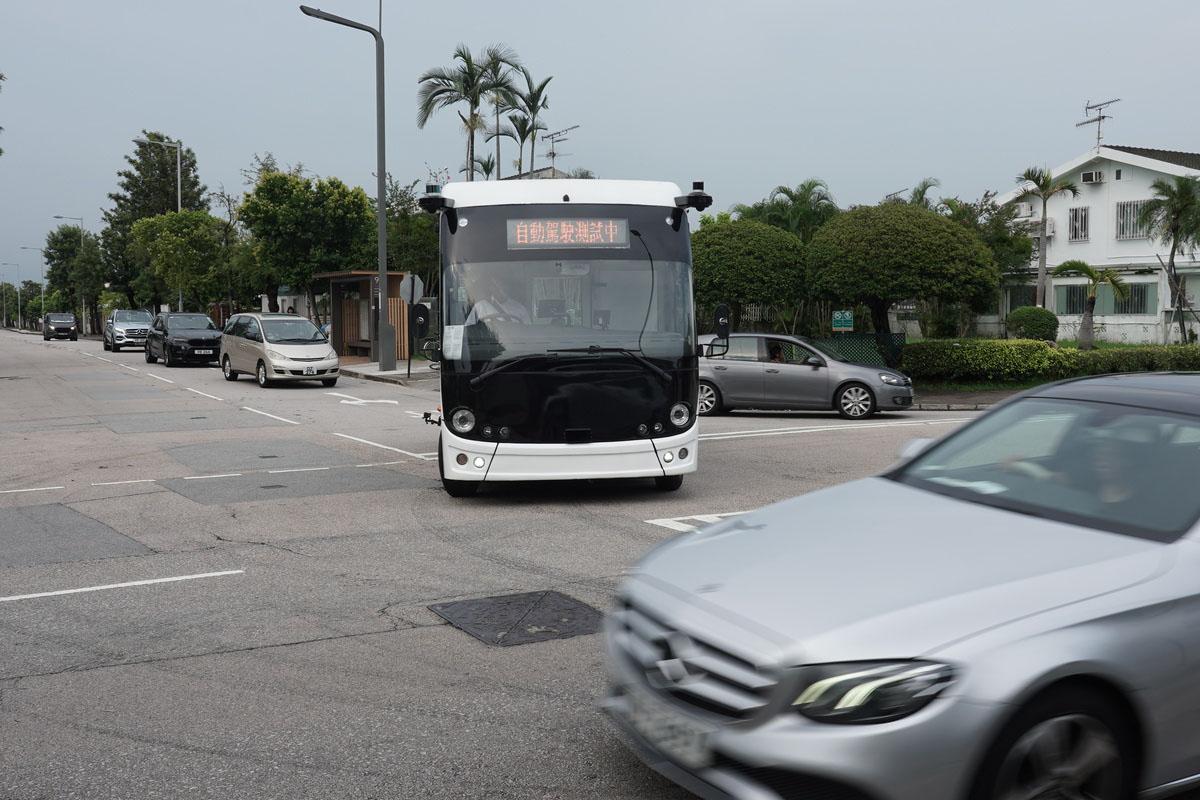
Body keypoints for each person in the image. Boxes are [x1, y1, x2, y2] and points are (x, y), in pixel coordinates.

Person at [465, 272, 530, 325]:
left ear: (506, 286)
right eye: (495, 285)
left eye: (500, 284)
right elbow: (468, 330)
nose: (498, 288)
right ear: (490, 288)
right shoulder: (480, 307)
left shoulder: (520, 308)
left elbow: (528, 331)